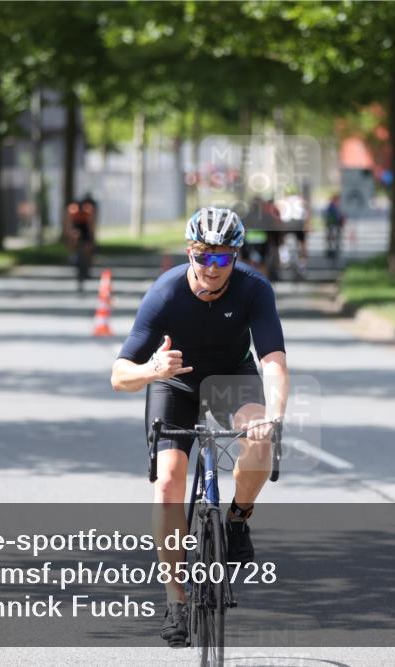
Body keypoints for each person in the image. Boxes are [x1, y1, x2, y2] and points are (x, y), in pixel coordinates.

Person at [110, 206, 289, 647]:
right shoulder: (165, 294)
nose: (212, 267)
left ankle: (237, 518)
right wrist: (151, 369)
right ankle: (176, 600)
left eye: (223, 258)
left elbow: (273, 362)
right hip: (174, 383)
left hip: (232, 378)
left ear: (236, 258)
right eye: (203, 256)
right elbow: (118, 376)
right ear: (190, 252)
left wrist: (275, 413)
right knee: (169, 482)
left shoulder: (254, 290)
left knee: (260, 442)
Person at [323, 193, 345, 264]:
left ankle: (333, 250)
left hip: (333, 224)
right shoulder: (332, 206)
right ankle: (332, 250)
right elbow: (338, 215)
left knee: (333, 238)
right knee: (332, 238)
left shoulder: (334, 206)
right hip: (333, 224)